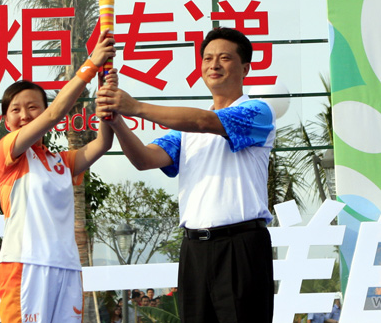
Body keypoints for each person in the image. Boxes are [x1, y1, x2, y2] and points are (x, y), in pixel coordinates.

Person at [97, 27, 276, 323]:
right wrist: (117, 120)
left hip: (240, 247)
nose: (213, 65)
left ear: (245, 68)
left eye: (224, 58)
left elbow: (205, 121)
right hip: (195, 250)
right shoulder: (186, 132)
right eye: (207, 58)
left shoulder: (256, 111)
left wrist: (135, 106)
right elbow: (144, 159)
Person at [0, 29, 115, 323]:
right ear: (5, 120)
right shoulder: (8, 152)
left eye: (33, 107)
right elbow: (54, 117)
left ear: (43, 108)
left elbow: (103, 144)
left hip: (67, 266)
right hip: (26, 265)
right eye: (16, 110)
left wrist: (107, 104)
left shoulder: (60, 162)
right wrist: (91, 65)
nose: (25, 115)